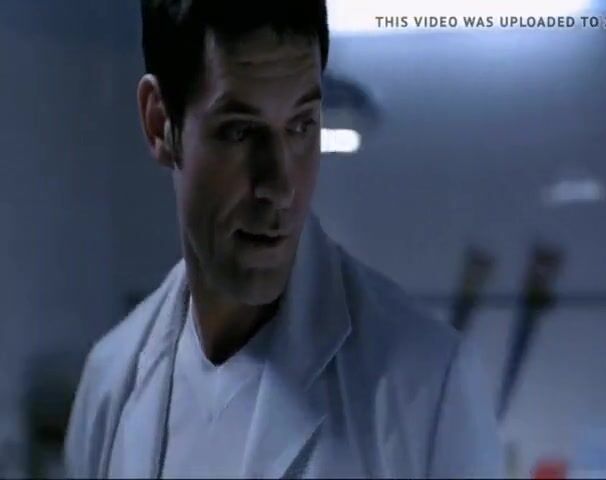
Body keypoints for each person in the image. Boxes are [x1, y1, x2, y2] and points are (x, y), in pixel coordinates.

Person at [64, 1, 504, 477]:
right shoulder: (109, 384)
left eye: (301, 126)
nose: (279, 186)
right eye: (239, 131)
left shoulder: (428, 384)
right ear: (159, 124)